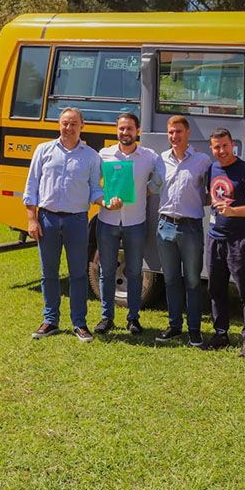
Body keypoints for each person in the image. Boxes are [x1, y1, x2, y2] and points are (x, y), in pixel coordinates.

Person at [23, 107, 106, 342]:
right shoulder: (43, 150)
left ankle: (79, 323)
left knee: (78, 274)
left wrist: (104, 201)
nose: (67, 128)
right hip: (47, 219)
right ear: (59, 125)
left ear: (82, 126)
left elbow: (95, 188)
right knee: (48, 273)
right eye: (64, 123)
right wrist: (31, 219)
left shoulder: (91, 156)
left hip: (77, 220)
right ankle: (50, 320)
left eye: (73, 123)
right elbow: (31, 186)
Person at [95, 112, 165, 335]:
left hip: (136, 223)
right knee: (106, 272)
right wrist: (104, 200)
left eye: (129, 129)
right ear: (117, 131)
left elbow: (163, 173)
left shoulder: (149, 156)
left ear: (138, 131)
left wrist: (149, 190)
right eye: (121, 129)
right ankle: (107, 318)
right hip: (107, 221)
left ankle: (133, 318)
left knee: (134, 271)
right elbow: (93, 184)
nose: (125, 133)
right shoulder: (104, 155)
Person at [202, 129, 245, 356]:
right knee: (216, 289)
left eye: (225, 146)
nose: (221, 151)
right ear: (212, 148)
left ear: (232, 146)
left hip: (241, 240)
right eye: (217, 147)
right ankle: (221, 334)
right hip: (215, 238)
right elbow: (210, 196)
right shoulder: (212, 168)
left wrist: (233, 211)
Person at [154, 115, 212, 347]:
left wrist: (198, 203)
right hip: (165, 225)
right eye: (171, 132)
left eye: (179, 132)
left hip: (190, 227)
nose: (174, 136)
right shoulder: (161, 160)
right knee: (170, 280)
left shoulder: (202, 160)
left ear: (188, 134)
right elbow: (153, 185)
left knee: (193, 281)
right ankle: (174, 326)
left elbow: (213, 191)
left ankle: (194, 330)